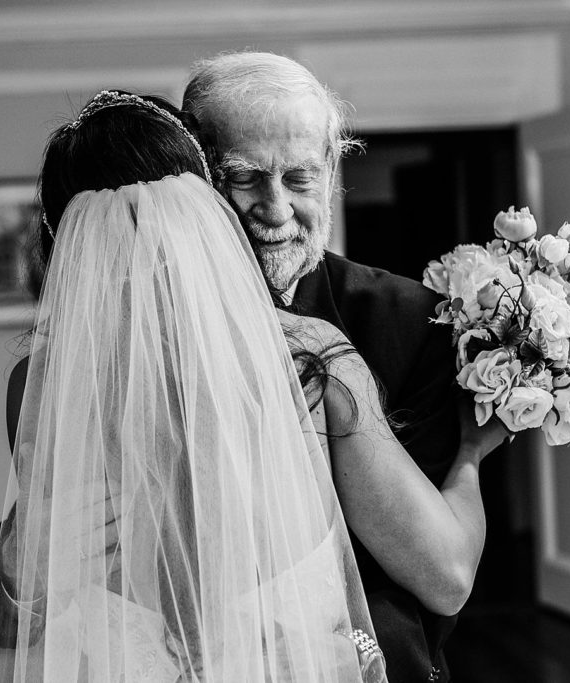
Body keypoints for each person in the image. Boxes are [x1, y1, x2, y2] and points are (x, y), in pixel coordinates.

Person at [0, 90, 502, 682]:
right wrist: (470, 454)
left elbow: (15, 621)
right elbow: (447, 578)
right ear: (209, 210)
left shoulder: (44, 384)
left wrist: (24, 569)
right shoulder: (310, 358)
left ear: (61, 244)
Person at [181, 52, 468, 681]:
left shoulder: (410, 320)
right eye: (245, 177)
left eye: (301, 178)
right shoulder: (146, 322)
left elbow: (439, 573)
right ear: (195, 178)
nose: (277, 208)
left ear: (333, 169)